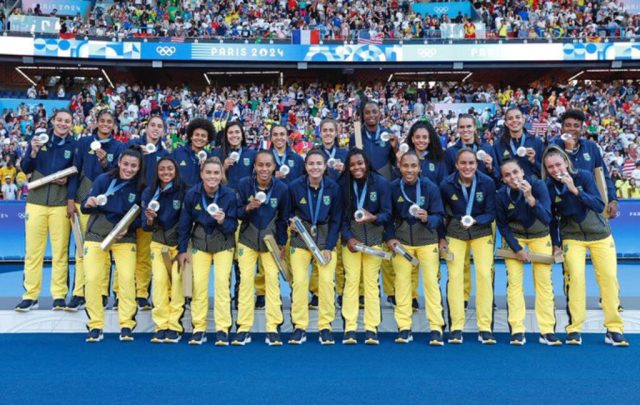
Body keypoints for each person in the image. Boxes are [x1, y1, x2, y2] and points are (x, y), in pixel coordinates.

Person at [542, 146, 629, 346]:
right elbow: (552, 220)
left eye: (558, 165)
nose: (555, 170)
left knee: (608, 278)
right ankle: (574, 329)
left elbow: (599, 205)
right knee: (576, 280)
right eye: (550, 167)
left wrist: (574, 190)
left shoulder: (583, 176)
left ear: (566, 162)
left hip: (600, 235)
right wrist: (556, 244)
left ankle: (614, 328)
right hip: (572, 238)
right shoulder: (548, 187)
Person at [15, 109, 76, 312]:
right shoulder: (39, 140)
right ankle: (30, 295)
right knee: (33, 252)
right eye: (60, 120)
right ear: (53, 121)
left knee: (60, 253)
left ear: (71, 124)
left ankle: (59, 296)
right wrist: (32, 151)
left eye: (67, 121)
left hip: (59, 204)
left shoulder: (74, 146)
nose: (63, 124)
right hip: (36, 202)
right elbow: (25, 167)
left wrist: (67, 184)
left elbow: (76, 175)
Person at [495, 159, 561, 346]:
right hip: (515, 239)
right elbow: (502, 225)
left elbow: (547, 217)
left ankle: (547, 330)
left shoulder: (538, 185)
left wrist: (530, 198)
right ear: (503, 179)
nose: (513, 177)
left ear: (522, 172)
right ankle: (517, 330)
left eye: (515, 172)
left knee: (544, 284)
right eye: (507, 175)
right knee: (514, 285)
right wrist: (517, 249)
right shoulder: (501, 195)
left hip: (540, 236)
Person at [82, 147, 145, 342]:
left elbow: (141, 217)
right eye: (125, 164)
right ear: (118, 162)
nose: (129, 169)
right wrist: (89, 203)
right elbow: (85, 207)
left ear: (139, 167)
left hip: (124, 238)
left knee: (126, 279)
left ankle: (126, 324)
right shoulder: (103, 180)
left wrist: (130, 226)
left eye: (133, 166)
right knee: (92, 279)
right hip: (96, 235)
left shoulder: (140, 187)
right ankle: (95, 325)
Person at [385, 151, 445, 345]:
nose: (409, 170)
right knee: (402, 285)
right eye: (405, 166)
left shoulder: (430, 187)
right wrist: (390, 237)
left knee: (431, 284)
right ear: (399, 167)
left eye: (413, 166)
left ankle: (436, 327)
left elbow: (440, 216)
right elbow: (388, 216)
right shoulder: (393, 188)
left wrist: (428, 218)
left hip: (427, 241)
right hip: (402, 243)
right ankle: (404, 327)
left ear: (419, 168)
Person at [66, 109, 123, 311]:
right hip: (84, 202)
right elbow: (74, 172)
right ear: (96, 122)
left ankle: (101, 293)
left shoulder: (118, 147)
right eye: (103, 121)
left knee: (104, 249)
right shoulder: (83, 143)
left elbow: (119, 175)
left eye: (110, 121)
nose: (106, 124)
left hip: (107, 204)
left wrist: (105, 162)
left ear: (114, 125)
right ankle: (79, 293)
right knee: (82, 249)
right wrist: (71, 198)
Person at [177, 157, 238, 345]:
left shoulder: (229, 195)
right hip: (199, 245)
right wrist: (182, 250)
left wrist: (223, 221)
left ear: (222, 175)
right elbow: (184, 224)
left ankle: (222, 329)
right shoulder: (192, 194)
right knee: (199, 286)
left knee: (221, 286)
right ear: (202, 174)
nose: (212, 176)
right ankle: (199, 327)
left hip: (223, 245)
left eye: (216, 173)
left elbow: (233, 226)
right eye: (208, 172)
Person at [232, 150, 290, 346]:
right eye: (260, 165)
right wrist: (247, 209)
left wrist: (281, 243)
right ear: (254, 166)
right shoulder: (243, 184)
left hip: (271, 242)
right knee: (246, 282)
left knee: (272, 282)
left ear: (274, 167)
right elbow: (236, 213)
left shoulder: (282, 188)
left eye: (268, 165)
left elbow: (283, 219)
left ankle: (273, 328)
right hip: (247, 240)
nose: (264, 169)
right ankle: (243, 327)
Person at [440, 148, 497, 344]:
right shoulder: (446, 184)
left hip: (481, 231)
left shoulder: (487, 183)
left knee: (484, 274)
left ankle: (485, 327)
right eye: (463, 163)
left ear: (477, 164)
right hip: (455, 231)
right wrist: (442, 237)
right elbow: (443, 213)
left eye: (471, 163)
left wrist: (476, 220)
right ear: (456, 165)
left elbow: (491, 213)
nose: (467, 167)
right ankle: (456, 327)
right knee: (455, 277)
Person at [287, 150, 342, 345]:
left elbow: (336, 219)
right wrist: (290, 222)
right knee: (300, 282)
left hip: (325, 238)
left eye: (319, 163)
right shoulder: (294, 187)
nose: (315, 167)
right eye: (311, 163)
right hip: (300, 238)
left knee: (326, 282)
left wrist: (329, 246)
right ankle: (299, 326)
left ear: (325, 166)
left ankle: (325, 326)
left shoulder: (333, 188)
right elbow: (287, 212)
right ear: (306, 166)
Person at [340, 148, 391, 345]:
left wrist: (375, 218)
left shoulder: (381, 184)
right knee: (351, 283)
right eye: (352, 165)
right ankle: (350, 328)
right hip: (352, 243)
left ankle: (371, 328)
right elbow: (340, 218)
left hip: (374, 242)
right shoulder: (343, 185)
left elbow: (388, 213)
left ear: (367, 163)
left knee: (371, 284)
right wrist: (349, 238)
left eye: (360, 163)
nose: (356, 167)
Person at [126, 115, 171, 310]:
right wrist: (137, 153)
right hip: (128, 204)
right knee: (125, 252)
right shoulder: (133, 147)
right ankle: (122, 294)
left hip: (151, 206)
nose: (155, 129)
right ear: (146, 127)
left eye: (159, 126)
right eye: (152, 125)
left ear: (164, 131)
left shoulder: (166, 154)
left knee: (144, 253)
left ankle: (141, 294)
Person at [141, 157, 186, 344]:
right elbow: (145, 226)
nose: (166, 172)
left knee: (177, 283)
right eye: (162, 169)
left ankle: (174, 326)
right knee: (159, 282)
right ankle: (161, 325)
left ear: (175, 170)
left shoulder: (185, 191)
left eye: (169, 169)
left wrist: (183, 248)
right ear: (156, 172)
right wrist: (150, 220)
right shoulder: (149, 192)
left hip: (178, 245)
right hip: (159, 244)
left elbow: (186, 222)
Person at [309, 117, 348, 308]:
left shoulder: (344, 153)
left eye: (331, 130)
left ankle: (340, 291)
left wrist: (345, 169)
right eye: (324, 130)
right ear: (320, 132)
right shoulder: (315, 153)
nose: (327, 133)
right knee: (319, 250)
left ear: (336, 132)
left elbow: (355, 174)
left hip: (341, 204)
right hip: (320, 209)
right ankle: (316, 292)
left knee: (338, 254)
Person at [553, 109, 618, 219]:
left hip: (591, 205)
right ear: (561, 129)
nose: (572, 129)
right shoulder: (553, 148)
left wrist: (612, 199)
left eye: (576, 126)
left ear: (582, 129)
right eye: (568, 125)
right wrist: (569, 150)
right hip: (566, 210)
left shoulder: (591, 147)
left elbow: (603, 175)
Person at [493, 107, 544, 178]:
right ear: (506, 123)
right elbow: (497, 173)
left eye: (518, 117)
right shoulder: (498, 145)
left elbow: (544, 172)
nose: (514, 120)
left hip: (532, 186)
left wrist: (533, 161)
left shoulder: (537, 142)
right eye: (510, 118)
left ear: (523, 120)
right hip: (509, 187)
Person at [172, 118, 215, 188]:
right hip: (179, 196)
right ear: (191, 137)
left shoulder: (210, 158)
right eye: (197, 135)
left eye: (203, 136)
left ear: (208, 140)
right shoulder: (177, 153)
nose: (199, 138)